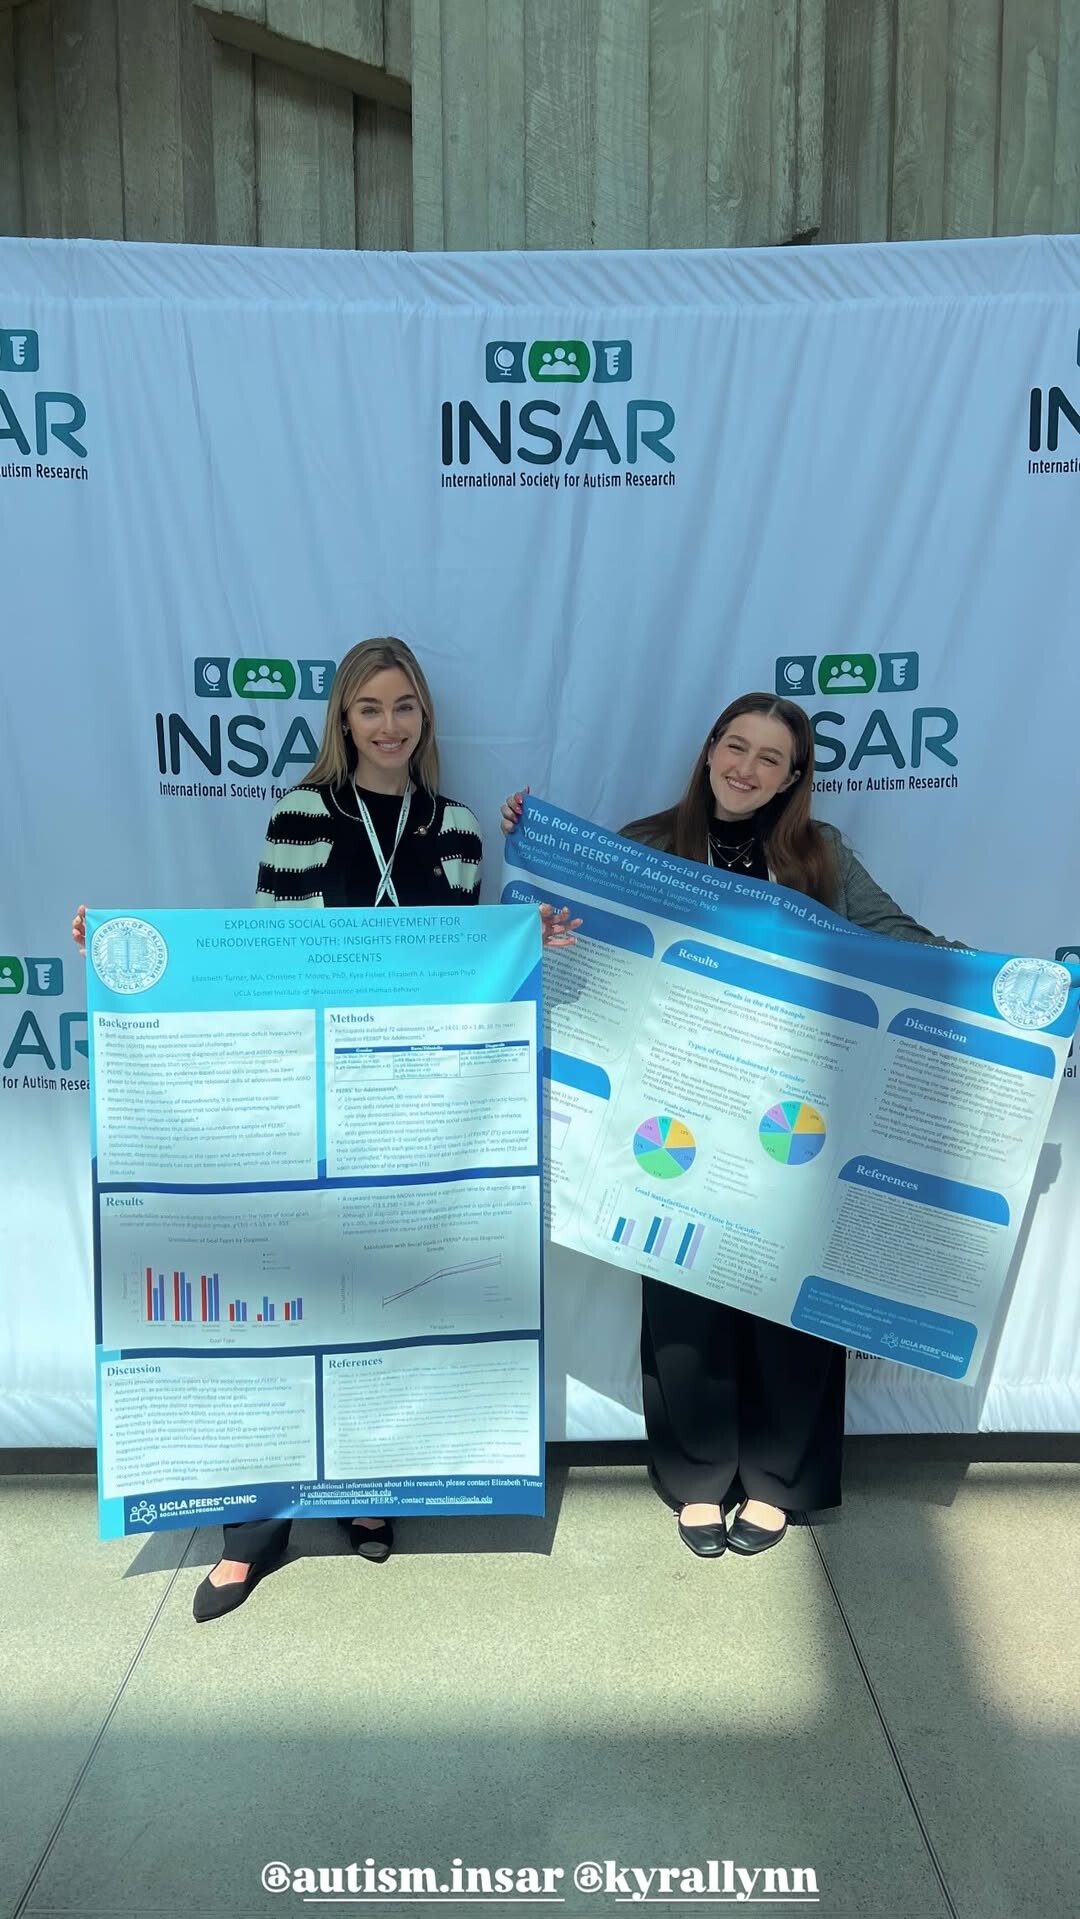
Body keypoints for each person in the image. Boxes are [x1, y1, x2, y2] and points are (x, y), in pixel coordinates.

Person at [74, 636, 576, 1621]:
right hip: (307, 1098)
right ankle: (251, 1535)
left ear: (425, 717)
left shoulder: (457, 828)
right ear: (343, 719)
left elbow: (466, 965)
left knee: (384, 1301)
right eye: (369, 707)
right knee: (279, 1306)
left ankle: (368, 1489)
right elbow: (261, 955)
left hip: (411, 1106)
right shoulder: (302, 815)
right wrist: (127, 955)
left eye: (405, 706)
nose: (389, 725)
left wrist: (529, 943)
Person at [503, 692, 962, 1562]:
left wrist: (999, 982)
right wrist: (541, 853)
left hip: (792, 1121)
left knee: (792, 1300)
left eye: (769, 758)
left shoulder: (822, 855)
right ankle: (698, 1476)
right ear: (710, 748)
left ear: (792, 778)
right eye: (735, 746)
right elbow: (582, 938)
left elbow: (898, 941)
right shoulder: (648, 845)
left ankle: (780, 1478)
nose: (746, 768)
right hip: (674, 1111)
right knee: (684, 1294)